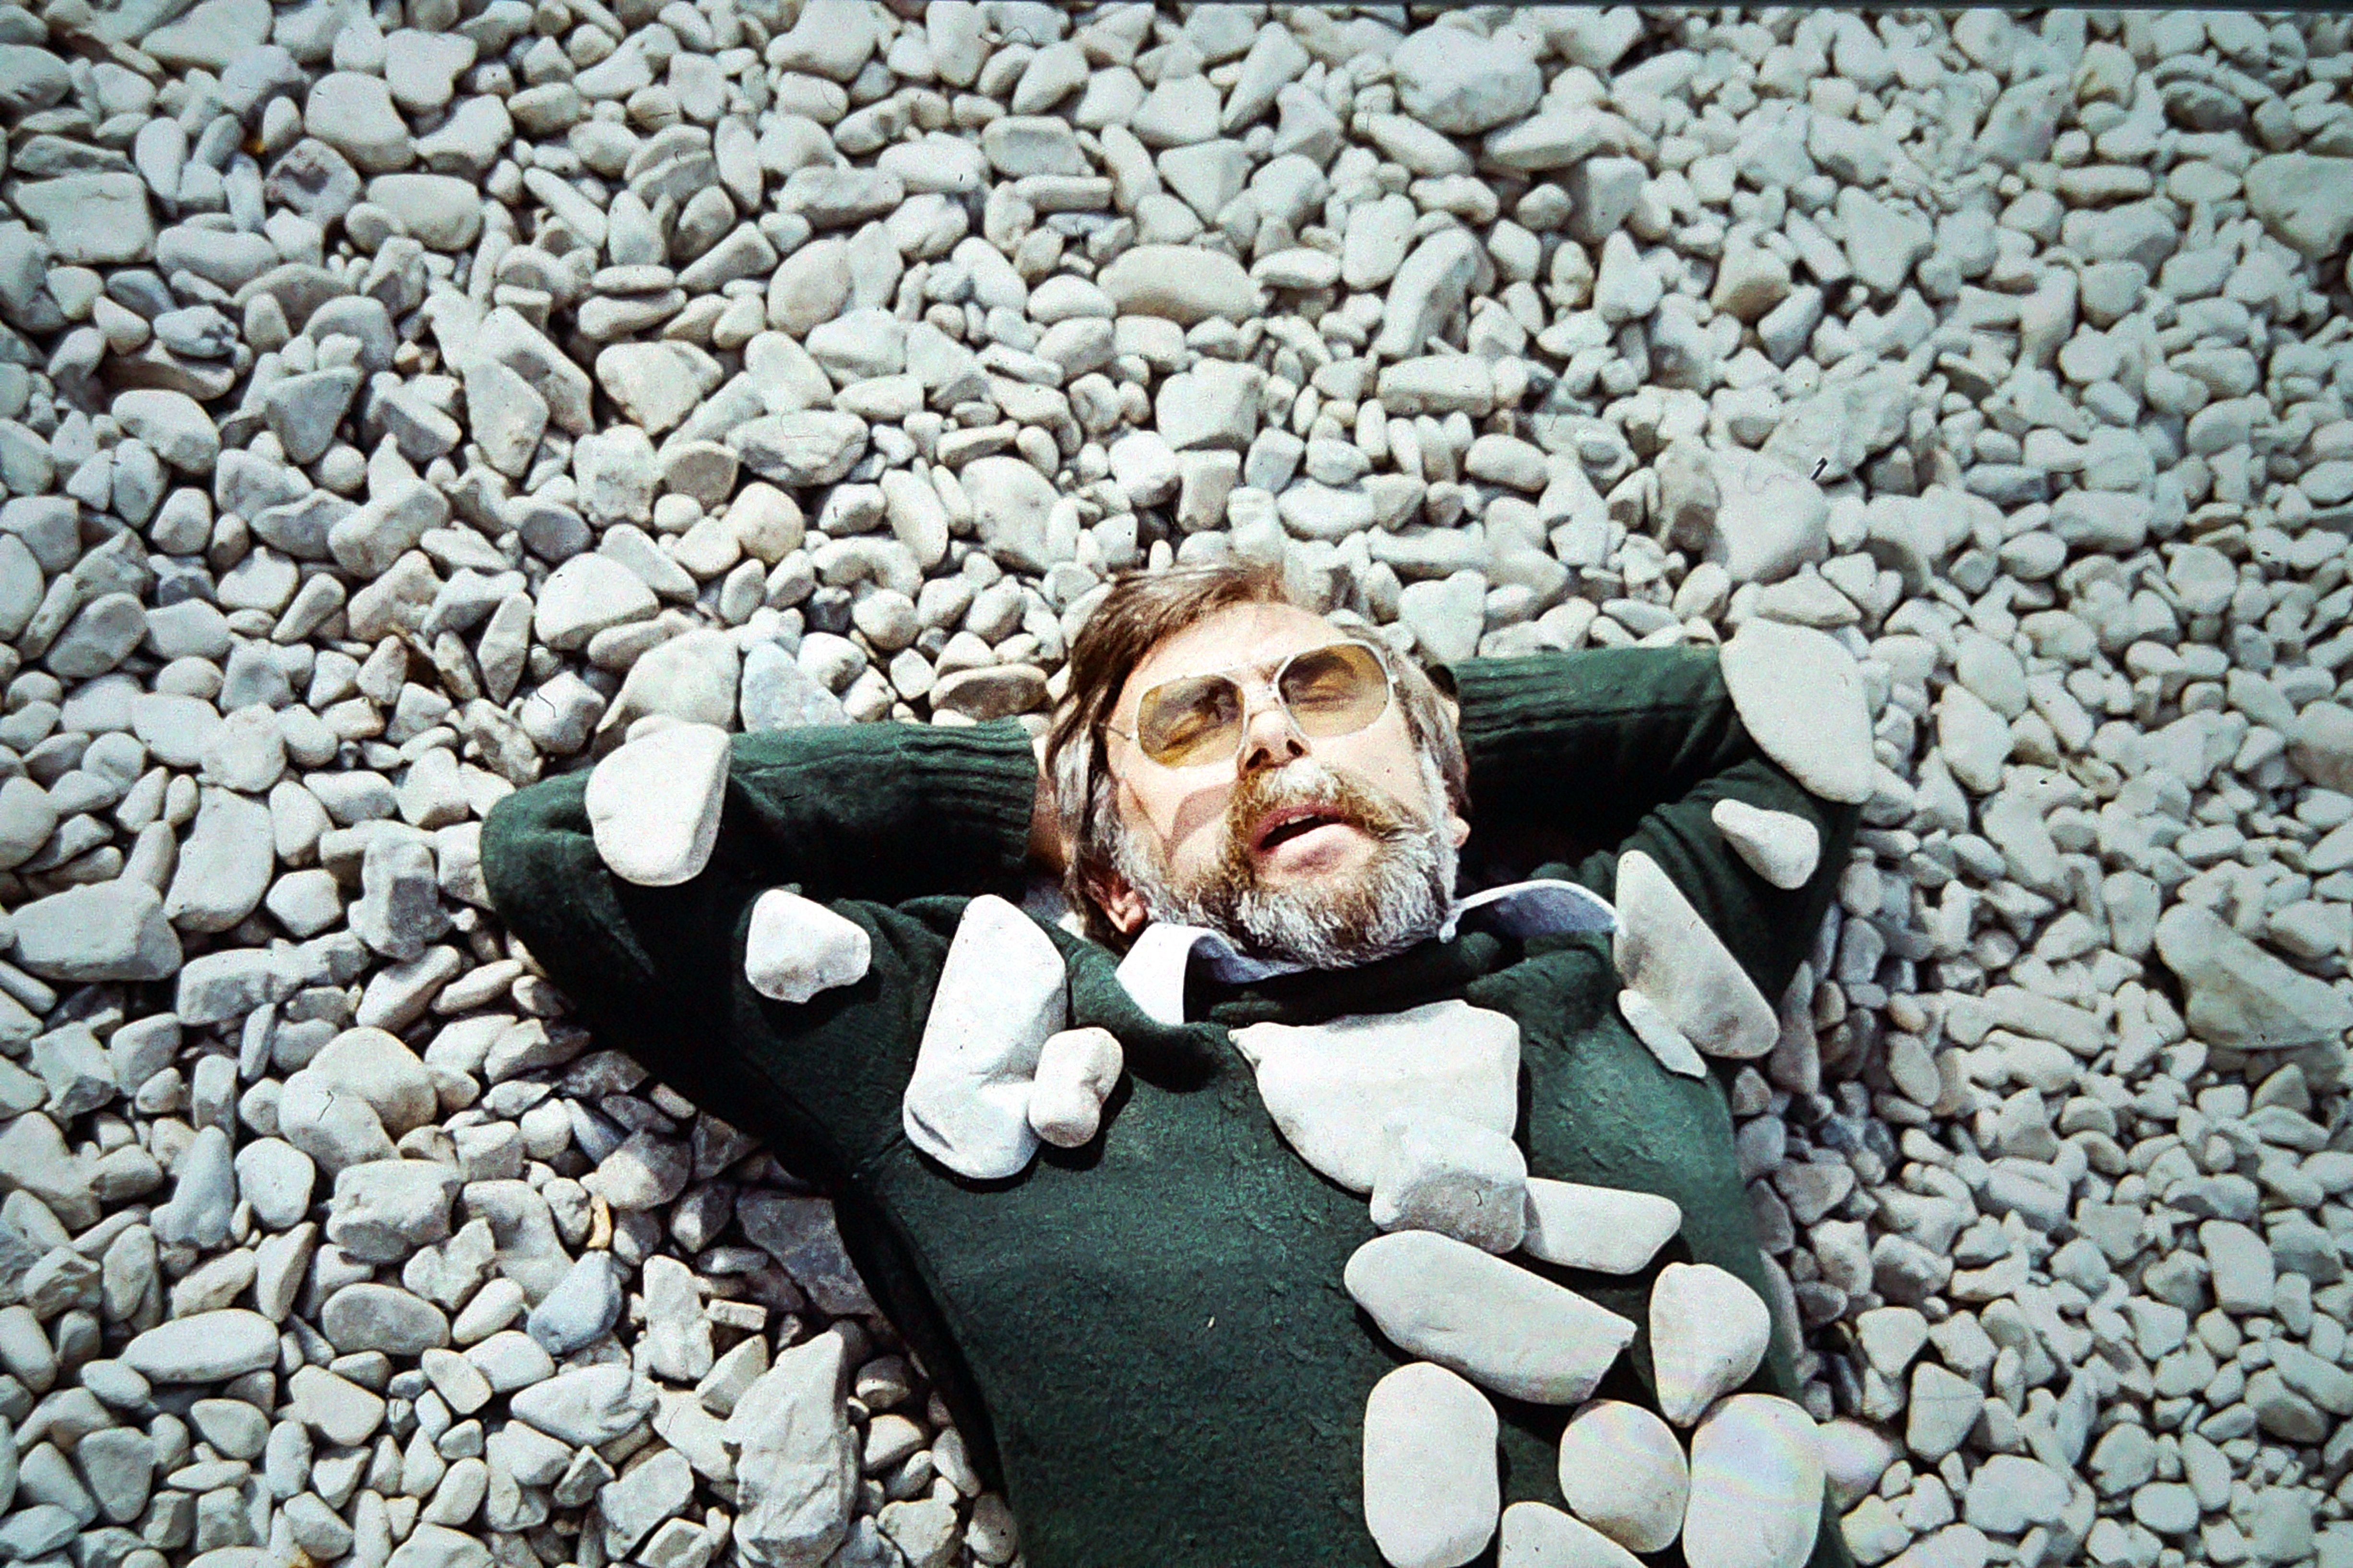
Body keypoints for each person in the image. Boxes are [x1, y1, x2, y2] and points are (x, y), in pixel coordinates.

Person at [481, 558, 1866, 1568]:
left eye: (1324, 687)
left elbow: (1787, 731)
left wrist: (1439, 722)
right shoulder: (1002, 1047)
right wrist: (1030, 792)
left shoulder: (1624, 967)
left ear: (1453, 798)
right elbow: (570, 857)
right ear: (1112, 880)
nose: (1271, 733)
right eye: (1190, 725)